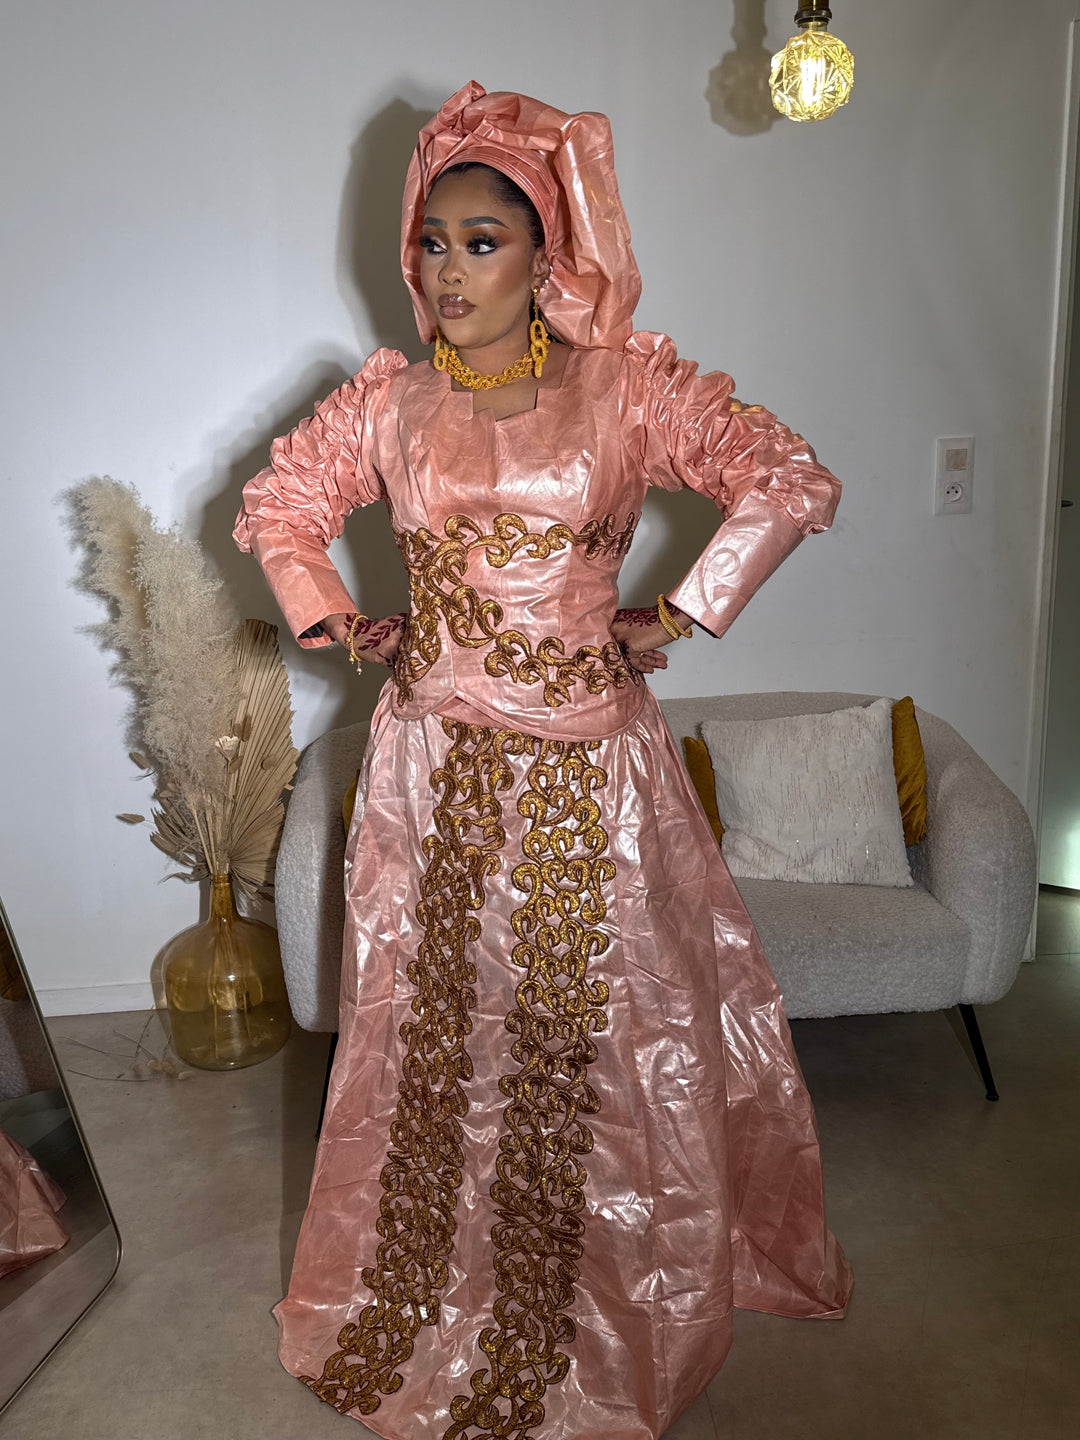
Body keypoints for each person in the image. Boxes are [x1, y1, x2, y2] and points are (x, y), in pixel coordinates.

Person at [234, 80, 852, 1440]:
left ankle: (607, 1300)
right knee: (439, 1038)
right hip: (432, 769)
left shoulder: (625, 391)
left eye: (483, 241)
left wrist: (678, 611)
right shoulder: (391, 404)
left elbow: (787, 477)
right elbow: (279, 507)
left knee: (607, 1044)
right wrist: (346, 621)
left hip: (590, 772)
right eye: (432, 242)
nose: (448, 272)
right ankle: (439, 1288)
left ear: (546, 254)